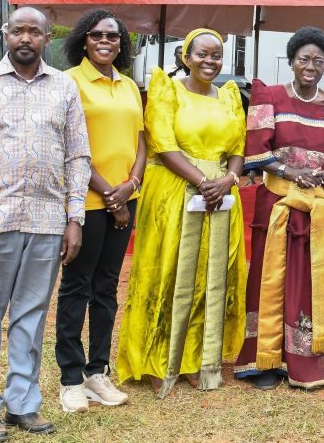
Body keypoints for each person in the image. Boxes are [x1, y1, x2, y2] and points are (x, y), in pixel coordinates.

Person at [0, 7, 90, 440]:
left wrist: (74, 218)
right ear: (6, 35)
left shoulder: (64, 88)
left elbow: (77, 156)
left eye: (35, 31)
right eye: (18, 30)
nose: (26, 37)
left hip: (46, 222)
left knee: (30, 316)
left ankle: (23, 404)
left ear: (47, 38)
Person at [115, 28, 248, 399]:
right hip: (175, 191)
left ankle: (196, 357)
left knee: (211, 275)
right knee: (168, 272)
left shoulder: (230, 97)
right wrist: (204, 181)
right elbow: (162, 143)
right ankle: (158, 360)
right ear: (185, 57)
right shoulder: (167, 89)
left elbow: (238, 145)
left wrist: (229, 179)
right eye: (202, 54)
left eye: (216, 56)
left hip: (219, 194)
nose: (210, 61)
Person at [234, 26, 324, 390]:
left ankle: (319, 350)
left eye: (318, 61)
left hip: (320, 202)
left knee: (316, 276)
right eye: (304, 59)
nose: (310, 66)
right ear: (291, 62)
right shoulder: (269, 96)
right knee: (271, 277)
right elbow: (256, 151)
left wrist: (316, 175)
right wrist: (292, 171)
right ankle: (268, 359)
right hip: (277, 202)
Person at [56, 9, 145, 413]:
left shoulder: (128, 85)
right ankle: (71, 378)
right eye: (96, 35)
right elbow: (72, 145)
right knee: (78, 286)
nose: (105, 41)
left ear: (122, 42)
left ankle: (97, 371)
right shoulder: (69, 81)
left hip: (126, 198)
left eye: (113, 35)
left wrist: (130, 187)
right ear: (83, 40)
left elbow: (141, 140)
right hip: (87, 201)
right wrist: (111, 194)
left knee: (107, 287)